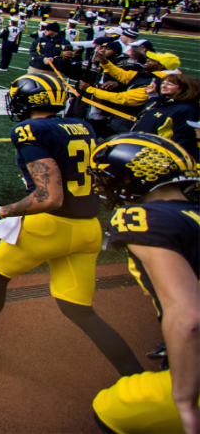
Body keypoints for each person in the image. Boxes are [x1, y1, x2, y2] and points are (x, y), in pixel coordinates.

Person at [0, 74, 143, 380]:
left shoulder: (30, 129)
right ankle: (135, 375)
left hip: (51, 226)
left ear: (25, 101)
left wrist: (1, 212)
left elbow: (49, 196)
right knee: (79, 309)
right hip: (89, 227)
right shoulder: (82, 125)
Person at [89, 133, 199, 434]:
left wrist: (184, 398)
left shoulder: (140, 217)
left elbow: (189, 316)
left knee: (111, 409)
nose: (103, 184)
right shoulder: (191, 214)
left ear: (132, 177)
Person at [130, 74, 200, 157]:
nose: (163, 86)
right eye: (163, 83)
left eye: (169, 84)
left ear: (183, 89)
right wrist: (153, 95)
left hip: (153, 156)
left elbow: (182, 140)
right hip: (137, 149)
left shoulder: (186, 110)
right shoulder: (166, 102)